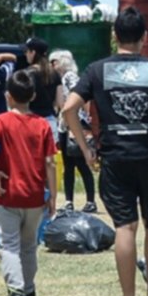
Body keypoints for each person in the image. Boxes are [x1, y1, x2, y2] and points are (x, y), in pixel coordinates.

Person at [60, 7, 148, 296]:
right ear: (144, 37)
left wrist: (87, 146)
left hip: (115, 156)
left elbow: (69, 109)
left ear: (114, 36)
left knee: (125, 226)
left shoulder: (97, 70)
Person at [0, 70, 57, 296]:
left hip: (7, 194)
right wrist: (53, 196)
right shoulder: (42, 124)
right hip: (34, 195)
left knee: (9, 245)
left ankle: (15, 292)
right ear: (34, 96)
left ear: (8, 97)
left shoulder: (0, 120)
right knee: (29, 245)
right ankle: (29, 291)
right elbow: (50, 162)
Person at [50, 49, 94, 213]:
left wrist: (83, 121)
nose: (52, 65)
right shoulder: (60, 79)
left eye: (53, 61)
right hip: (63, 124)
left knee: (81, 163)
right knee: (68, 165)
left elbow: (83, 99)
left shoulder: (70, 77)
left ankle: (90, 200)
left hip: (74, 124)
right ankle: (69, 200)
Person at [23, 37, 61, 123]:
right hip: (50, 120)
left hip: (31, 120)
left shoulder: (27, 73)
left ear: (33, 53)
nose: (25, 54)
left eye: (26, 51)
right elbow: (60, 102)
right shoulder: (54, 73)